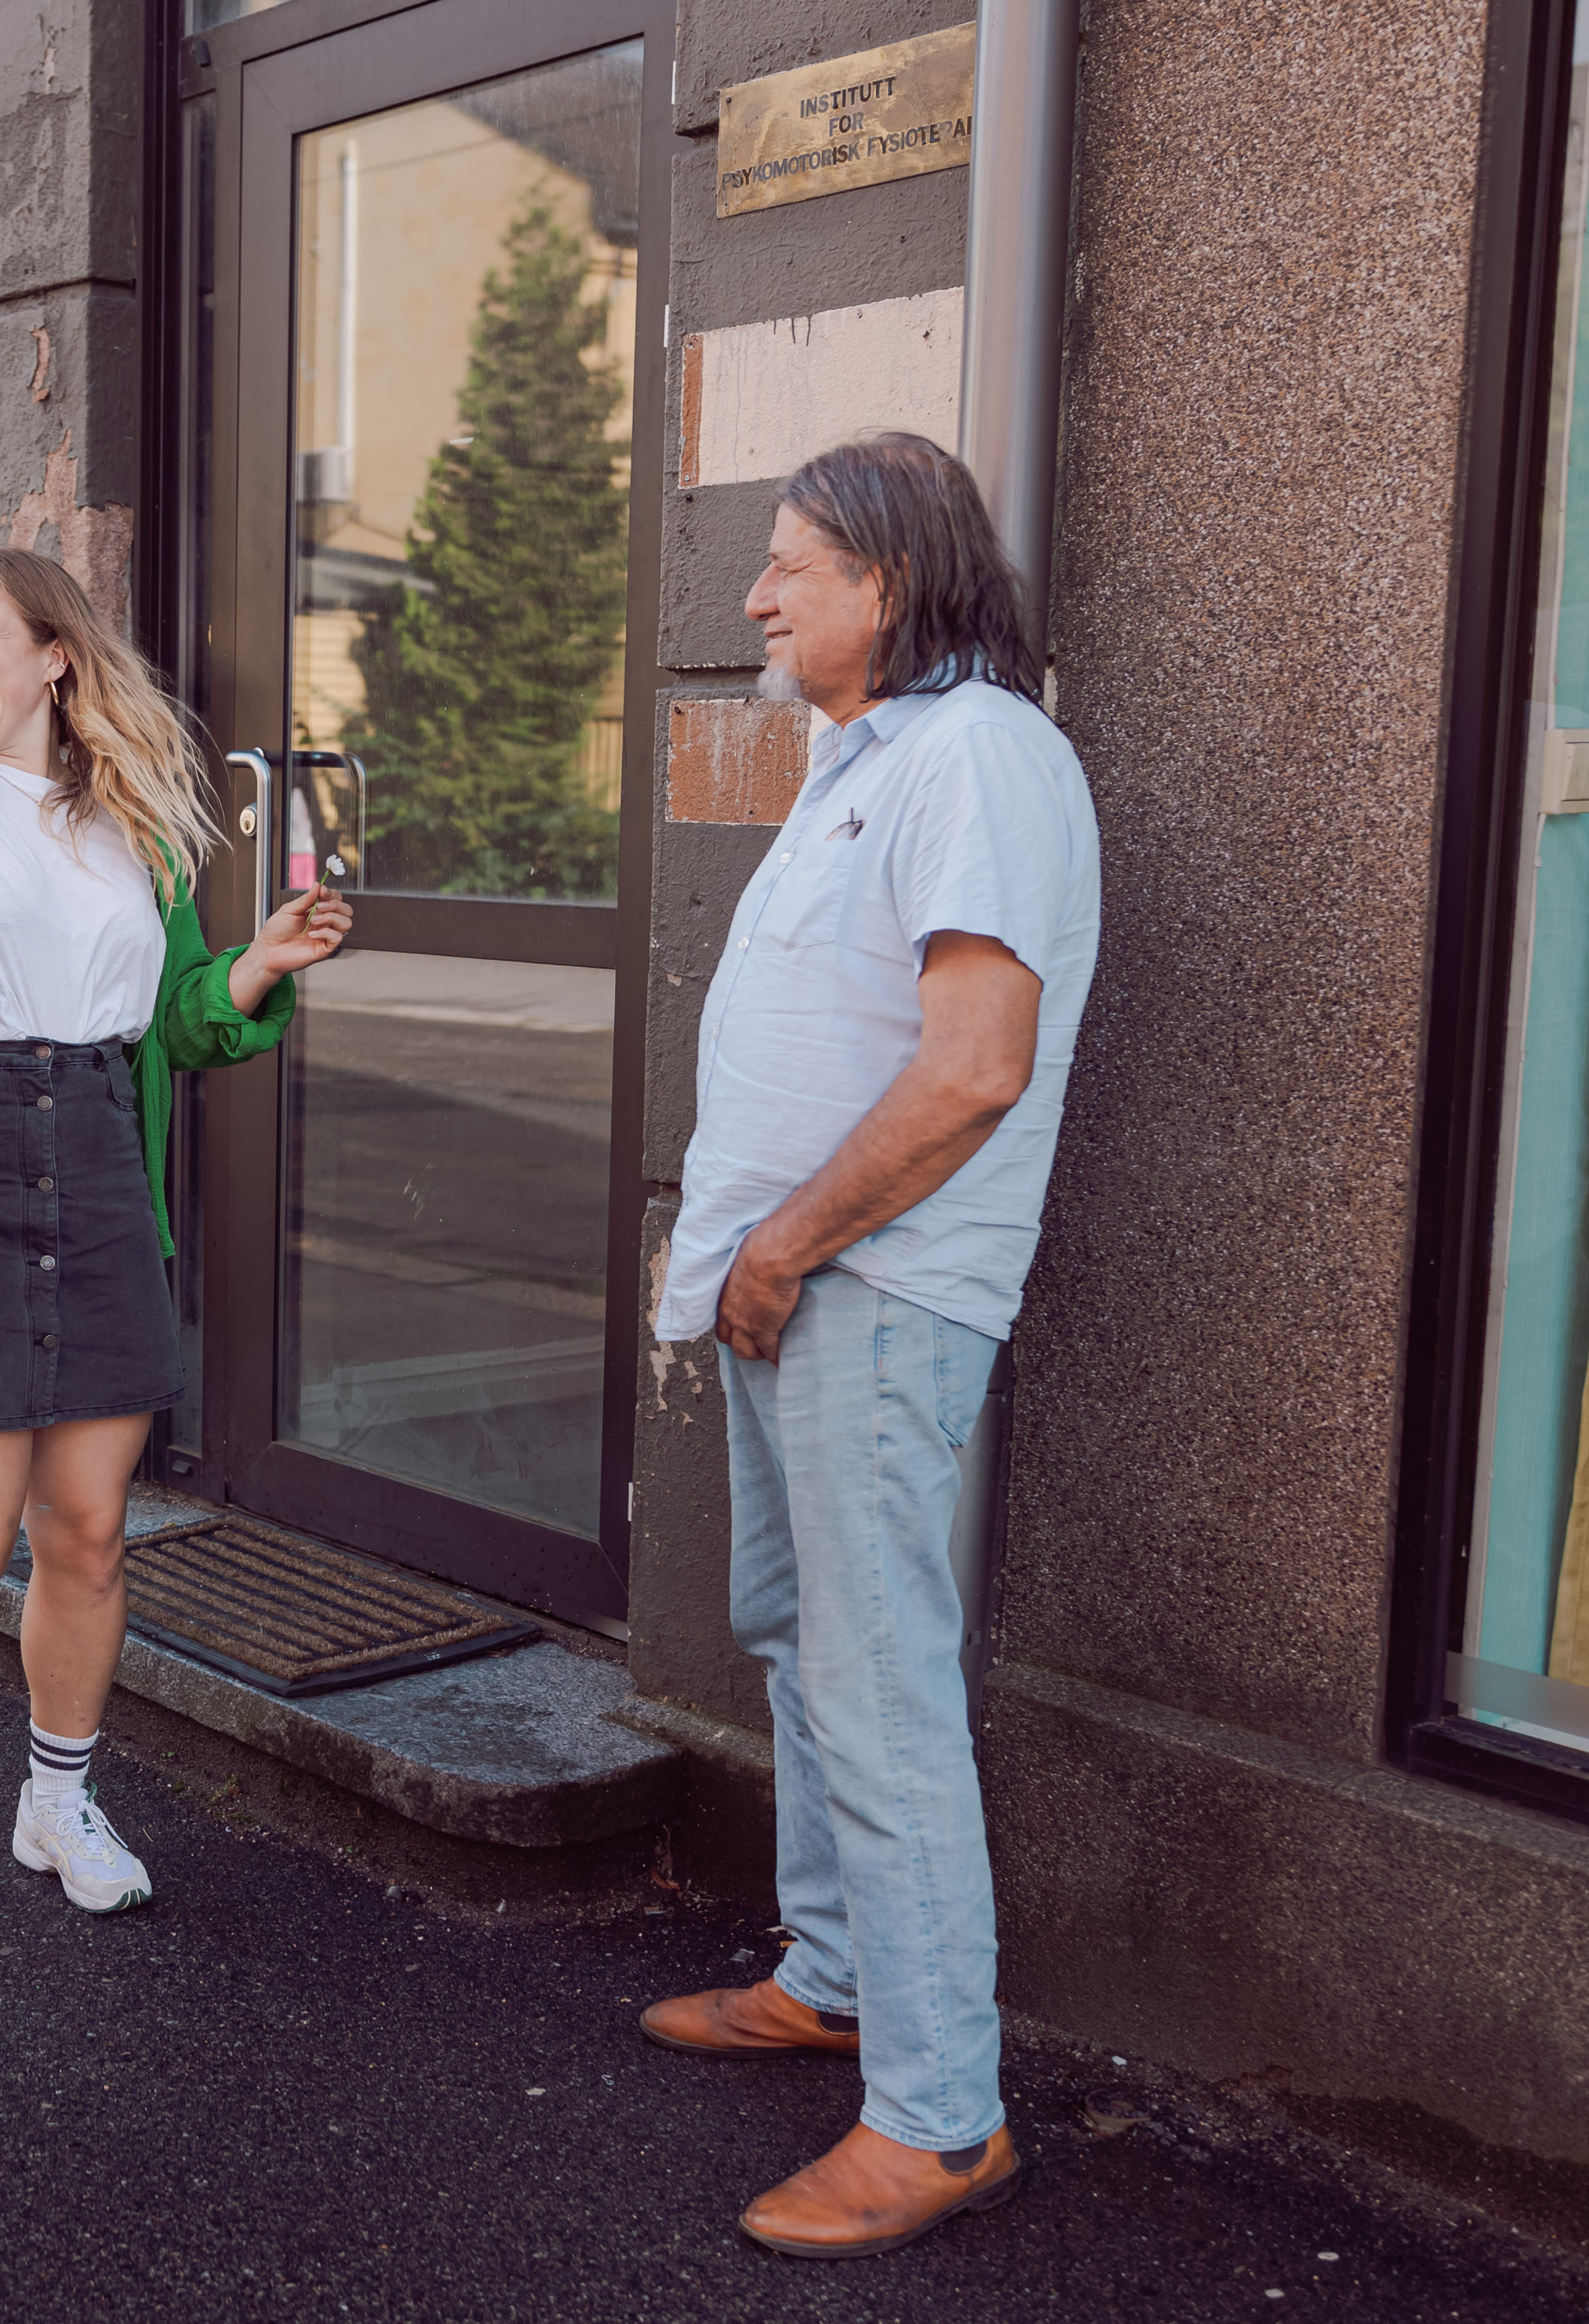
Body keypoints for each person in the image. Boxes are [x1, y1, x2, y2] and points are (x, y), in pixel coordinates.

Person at [637, 435, 1101, 2258]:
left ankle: (935, 2114)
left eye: (788, 565)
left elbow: (974, 1061)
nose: (754, 597)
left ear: (888, 582)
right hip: (795, 1282)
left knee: (879, 1683)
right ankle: (829, 1975)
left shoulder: (979, 752)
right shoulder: (872, 755)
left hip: (870, 1288)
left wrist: (789, 1246)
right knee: (798, 1638)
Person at [0, 546, 351, 1942]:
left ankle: (56, 1797)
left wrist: (260, 967)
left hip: (95, 1160)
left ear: (55, 654)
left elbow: (174, 1021)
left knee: (91, 1532)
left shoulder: (133, 823)